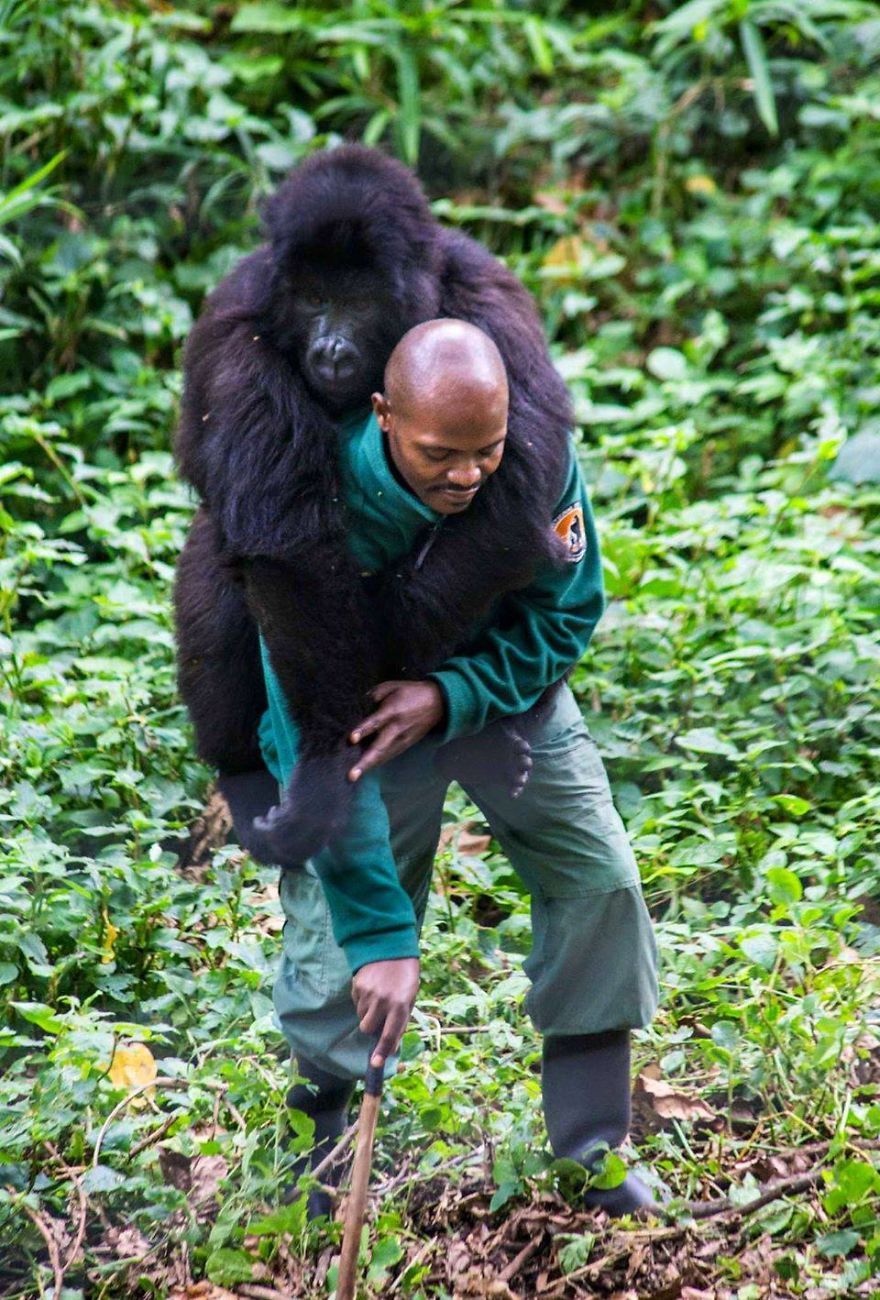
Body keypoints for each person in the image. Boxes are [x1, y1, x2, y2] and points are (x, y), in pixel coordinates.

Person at [246, 319, 659, 1216]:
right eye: (441, 452)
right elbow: (309, 741)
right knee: (336, 950)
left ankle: (591, 1144)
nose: (470, 475)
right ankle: (324, 1158)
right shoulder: (312, 511)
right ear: (386, 417)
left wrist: (448, 695)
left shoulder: (535, 459)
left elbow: (565, 616)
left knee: (602, 881)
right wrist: (382, 938)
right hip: (349, 718)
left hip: (500, 694)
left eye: (489, 449)